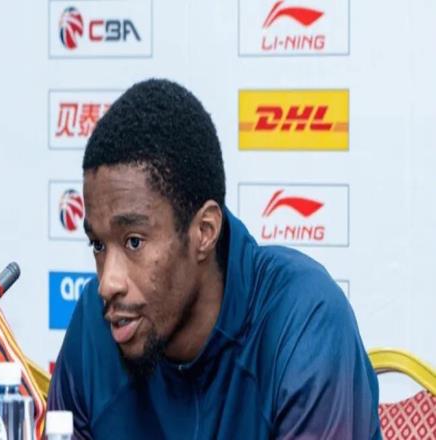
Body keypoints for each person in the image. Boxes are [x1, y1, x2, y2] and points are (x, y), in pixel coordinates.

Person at [47, 79, 381, 439]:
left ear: (204, 231)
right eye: (98, 245)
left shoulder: (304, 320)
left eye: (134, 242)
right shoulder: (94, 323)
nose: (108, 282)